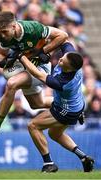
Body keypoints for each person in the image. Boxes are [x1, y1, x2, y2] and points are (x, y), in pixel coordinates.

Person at [0, 11, 68, 140]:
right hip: (22, 65)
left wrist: (43, 51)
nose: (2, 35)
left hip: (40, 68)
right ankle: (69, 107)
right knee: (37, 104)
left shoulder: (33, 29)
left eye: (4, 31)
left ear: (14, 26)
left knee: (12, 84)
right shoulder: (4, 36)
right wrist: (4, 61)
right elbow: (2, 55)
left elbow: (63, 35)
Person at [19, 41, 94, 173]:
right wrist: (45, 45)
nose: (60, 58)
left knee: (33, 125)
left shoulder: (62, 82)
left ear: (69, 69)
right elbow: (64, 40)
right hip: (75, 104)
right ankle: (83, 157)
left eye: (62, 61)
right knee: (54, 134)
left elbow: (37, 74)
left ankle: (49, 163)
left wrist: (21, 56)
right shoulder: (73, 57)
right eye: (62, 57)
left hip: (66, 109)